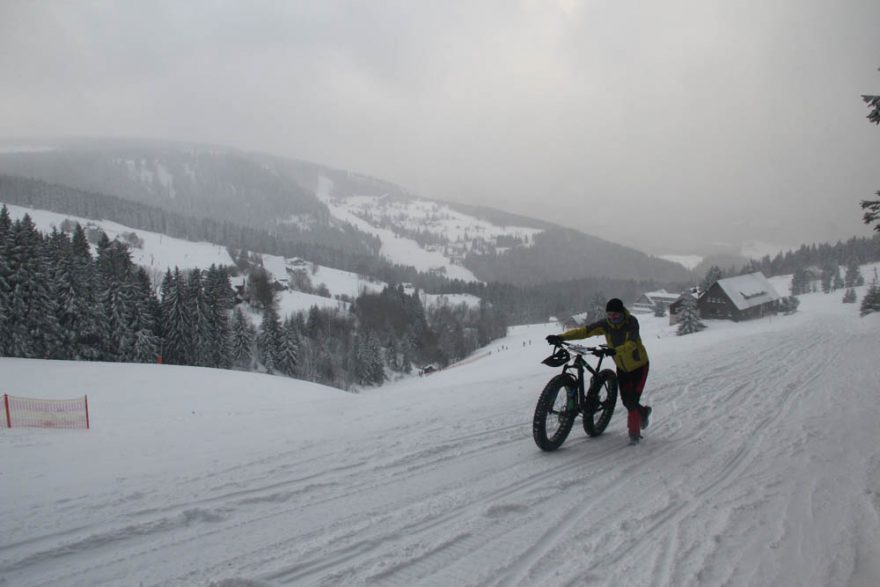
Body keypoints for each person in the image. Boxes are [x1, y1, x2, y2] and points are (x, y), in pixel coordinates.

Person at [546, 298, 652, 445]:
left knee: (631, 401)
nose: (613, 319)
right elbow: (585, 331)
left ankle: (634, 434)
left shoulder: (631, 322)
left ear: (622, 313)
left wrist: (615, 350)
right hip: (622, 368)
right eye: (609, 316)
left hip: (639, 366)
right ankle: (643, 413)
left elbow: (632, 344)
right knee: (627, 400)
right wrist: (560, 337)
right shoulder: (606, 325)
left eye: (616, 316)